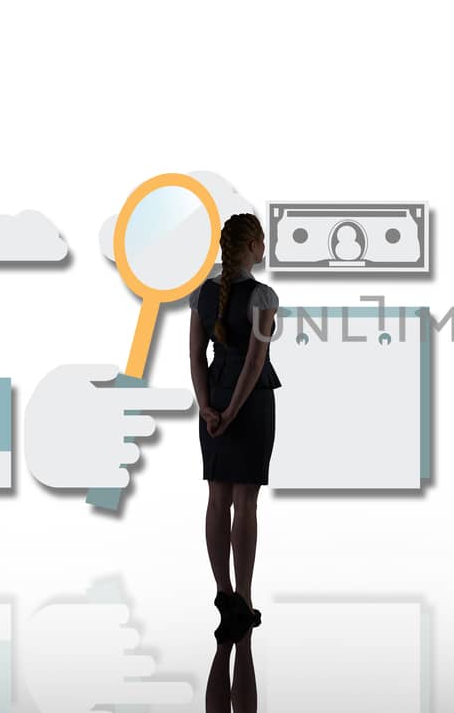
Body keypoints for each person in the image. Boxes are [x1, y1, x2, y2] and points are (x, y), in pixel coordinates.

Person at [190, 213, 282, 634]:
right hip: (250, 402)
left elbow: (196, 356)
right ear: (252, 247)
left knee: (216, 499)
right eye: (262, 242)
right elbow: (254, 362)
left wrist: (208, 407)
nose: (264, 249)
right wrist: (231, 414)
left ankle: (223, 592)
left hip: (214, 394)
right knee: (245, 502)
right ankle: (243, 598)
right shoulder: (263, 297)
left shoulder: (201, 294)